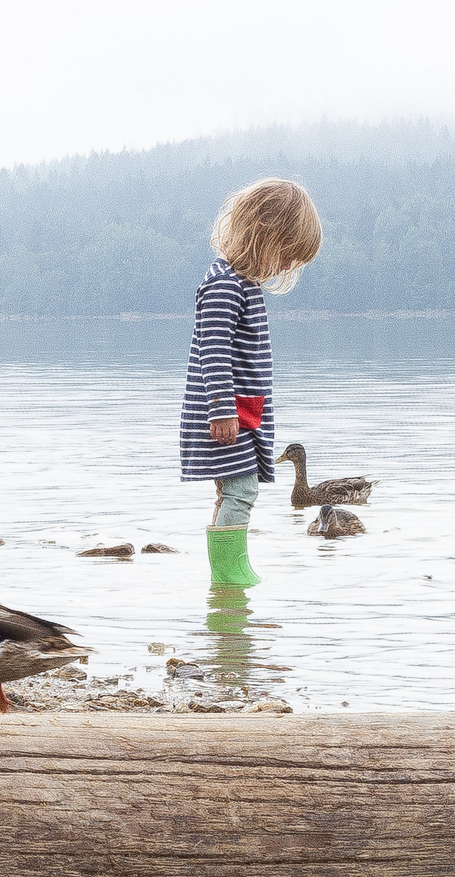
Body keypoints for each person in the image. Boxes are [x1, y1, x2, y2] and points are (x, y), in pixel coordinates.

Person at [179, 178, 321, 585]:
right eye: (287, 253)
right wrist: (222, 410)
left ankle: (229, 576)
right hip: (226, 415)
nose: (287, 266)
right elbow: (213, 350)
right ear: (264, 231)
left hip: (241, 412)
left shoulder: (243, 284)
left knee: (236, 491)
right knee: (241, 491)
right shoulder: (224, 284)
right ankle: (228, 576)